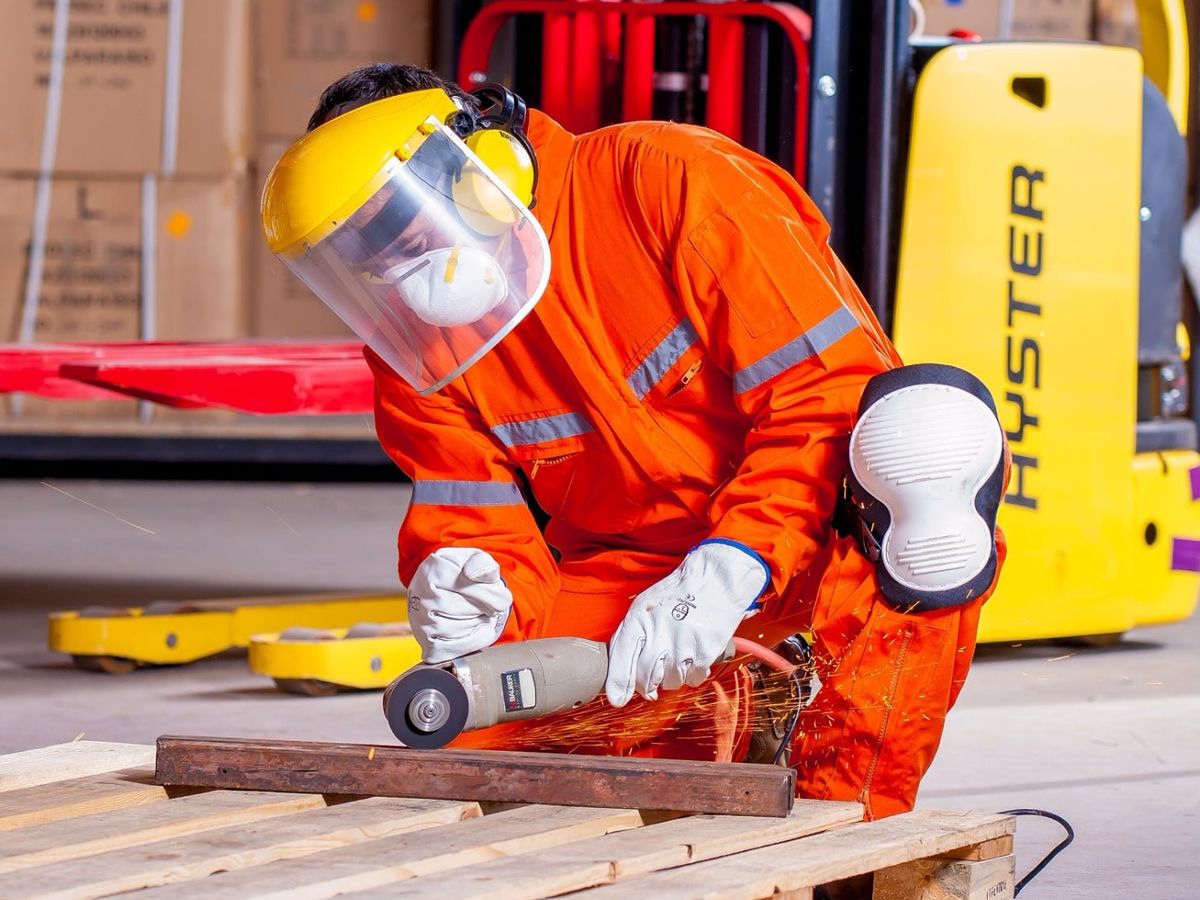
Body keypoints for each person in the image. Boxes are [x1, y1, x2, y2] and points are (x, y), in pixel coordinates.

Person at [261, 63, 1009, 820]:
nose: (389, 268)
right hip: (638, 573)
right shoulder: (417, 347)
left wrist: (735, 562)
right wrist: (468, 586)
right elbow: (469, 510)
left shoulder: (669, 180)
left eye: (393, 226)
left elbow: (827, 397)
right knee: (465, 736)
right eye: (360, 253)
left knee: (927, 452)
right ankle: (747, 702)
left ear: (478, 168)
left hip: (816, 531)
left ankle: (842, 827)